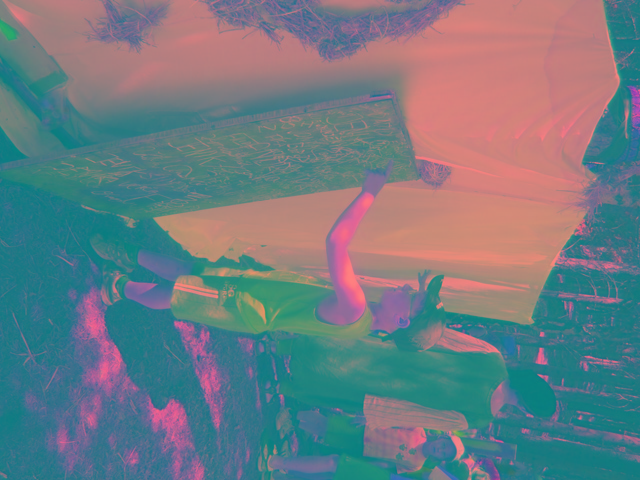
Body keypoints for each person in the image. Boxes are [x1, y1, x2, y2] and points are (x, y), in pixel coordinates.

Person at [91, 160, 447, 346]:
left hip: (244, 304)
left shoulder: (355, 310)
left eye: (412, 296)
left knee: (179, 294)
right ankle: (126, 254)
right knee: (191, 270)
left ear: (403, 321)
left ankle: (117, 287)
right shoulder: (362, 318)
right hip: (253, 291)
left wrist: (370, 192)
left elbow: (336, 243)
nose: (405, 287)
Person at [275, 329, 557, 431]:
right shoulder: (479, 419)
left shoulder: (492, 357)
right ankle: (281, 385)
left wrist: (405, 330)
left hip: (403, 355)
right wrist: (380, 415)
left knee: (350, 349)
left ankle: (281, 345)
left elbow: (444, 338)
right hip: (396, 391)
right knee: (342, 385)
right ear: (526, 408)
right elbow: (424, 417)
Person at [266, 409, 465, 477]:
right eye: (444, 445)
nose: (440, 449)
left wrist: (365, 465)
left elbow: (387, 465)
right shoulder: (418, 430)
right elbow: (391, 420)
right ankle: (292, 416)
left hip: (363, 451)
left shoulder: (417, 464)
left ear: (439, 459)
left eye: (443, 453)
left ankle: (294, 425)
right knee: (328, 424)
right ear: (442, 438)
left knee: (328, 436)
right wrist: (368, 418)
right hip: (363, 429)